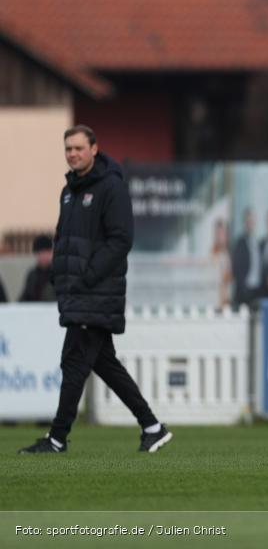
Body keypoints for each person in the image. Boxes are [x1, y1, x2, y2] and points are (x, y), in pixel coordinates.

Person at [18, 125, 172, 454]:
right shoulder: (69, 190)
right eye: (68, 149)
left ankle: (57, 439)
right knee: (104, 364)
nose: (73, 154)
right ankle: (152, 426)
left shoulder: (111, 187)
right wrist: (60, 275)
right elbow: (64, 239)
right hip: (77, 292)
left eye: (78, 148)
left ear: (94, 149)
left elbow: (121, 239)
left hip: (96, 292)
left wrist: (88, 275)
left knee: (73, 361)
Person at [231, 208, 261, 309]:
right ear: (245, 223)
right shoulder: (240, 242)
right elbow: (236, 267)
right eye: (248, 221)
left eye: (252, 221)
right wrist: (243, 287)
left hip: (257, 290)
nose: (250, 223)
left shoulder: (258, 242)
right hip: (245, 291)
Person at [19, 234, 56, 302]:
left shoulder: (58, 274)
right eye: (40, 253)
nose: (43, 256)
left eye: (47, 252)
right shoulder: (32, 275)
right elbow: (25, 296)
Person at [211, 219, 232, 309]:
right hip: (218, 301)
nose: (221, 236)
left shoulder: (227, 252)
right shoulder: (213, 253)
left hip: (227, 299)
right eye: (219, 233)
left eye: (223, 233)